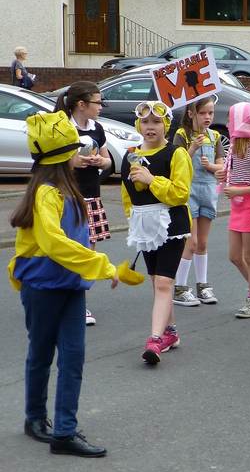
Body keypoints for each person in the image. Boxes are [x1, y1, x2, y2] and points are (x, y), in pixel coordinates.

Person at [10, 111, 119, 457]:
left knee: (73, 356)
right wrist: (101, 264)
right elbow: (54, 243)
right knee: (41, 353)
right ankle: (35, 418)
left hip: (71, 286)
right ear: (61, 156)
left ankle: (65, 432)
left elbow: (76, 239)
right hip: (43, 287)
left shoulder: (66, 187)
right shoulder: (46, 193)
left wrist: (94, 265)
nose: (80, 153)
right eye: (75, 148)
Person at [121, 101, 193, 365]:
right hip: (145, 224)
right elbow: (127, 195)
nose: (150, 127)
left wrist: (152, 180)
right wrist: (133, 218)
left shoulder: (176, 153)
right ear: (138, 124)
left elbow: (181, 193)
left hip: (172, 224)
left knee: (163, 282)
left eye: (157, 122)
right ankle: (171, 332)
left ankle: (154, 339)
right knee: (157, 281)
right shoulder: (130, 154)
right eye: (146, 122)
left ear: (167, 125)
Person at [54, 81, 114, 327]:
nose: (101, 107)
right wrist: (75, 162)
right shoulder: (63, 128)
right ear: (82, 104)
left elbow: (108, 161)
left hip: (91, 194)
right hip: (66, 196)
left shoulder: (97, 127)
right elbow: (52, 163)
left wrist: (100, 162)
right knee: (67, 250)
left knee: (88, 252)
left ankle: (79, 303)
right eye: (98, 102)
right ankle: (62, 299)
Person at [217, 103, 250, 319]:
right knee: (234, 256)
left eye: (231, 120)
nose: (229, 124)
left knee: (249, 257)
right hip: (237, 206)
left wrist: (241, 189)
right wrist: (222, 177)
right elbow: (233, 174)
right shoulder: (234, 147)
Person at [171, 96, 224, 308]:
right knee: (190, 243)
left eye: (210, 113)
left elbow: (221, 166)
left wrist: (211, 166)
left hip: (208, 191)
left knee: (202, 242)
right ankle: (180, 287)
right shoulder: (182, 135)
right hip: (189, 191)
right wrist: (192, 148)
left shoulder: (216, 136)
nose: (208, 117)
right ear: (191, 113)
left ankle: (202, 284)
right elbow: (176, 162)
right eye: (203, 113)